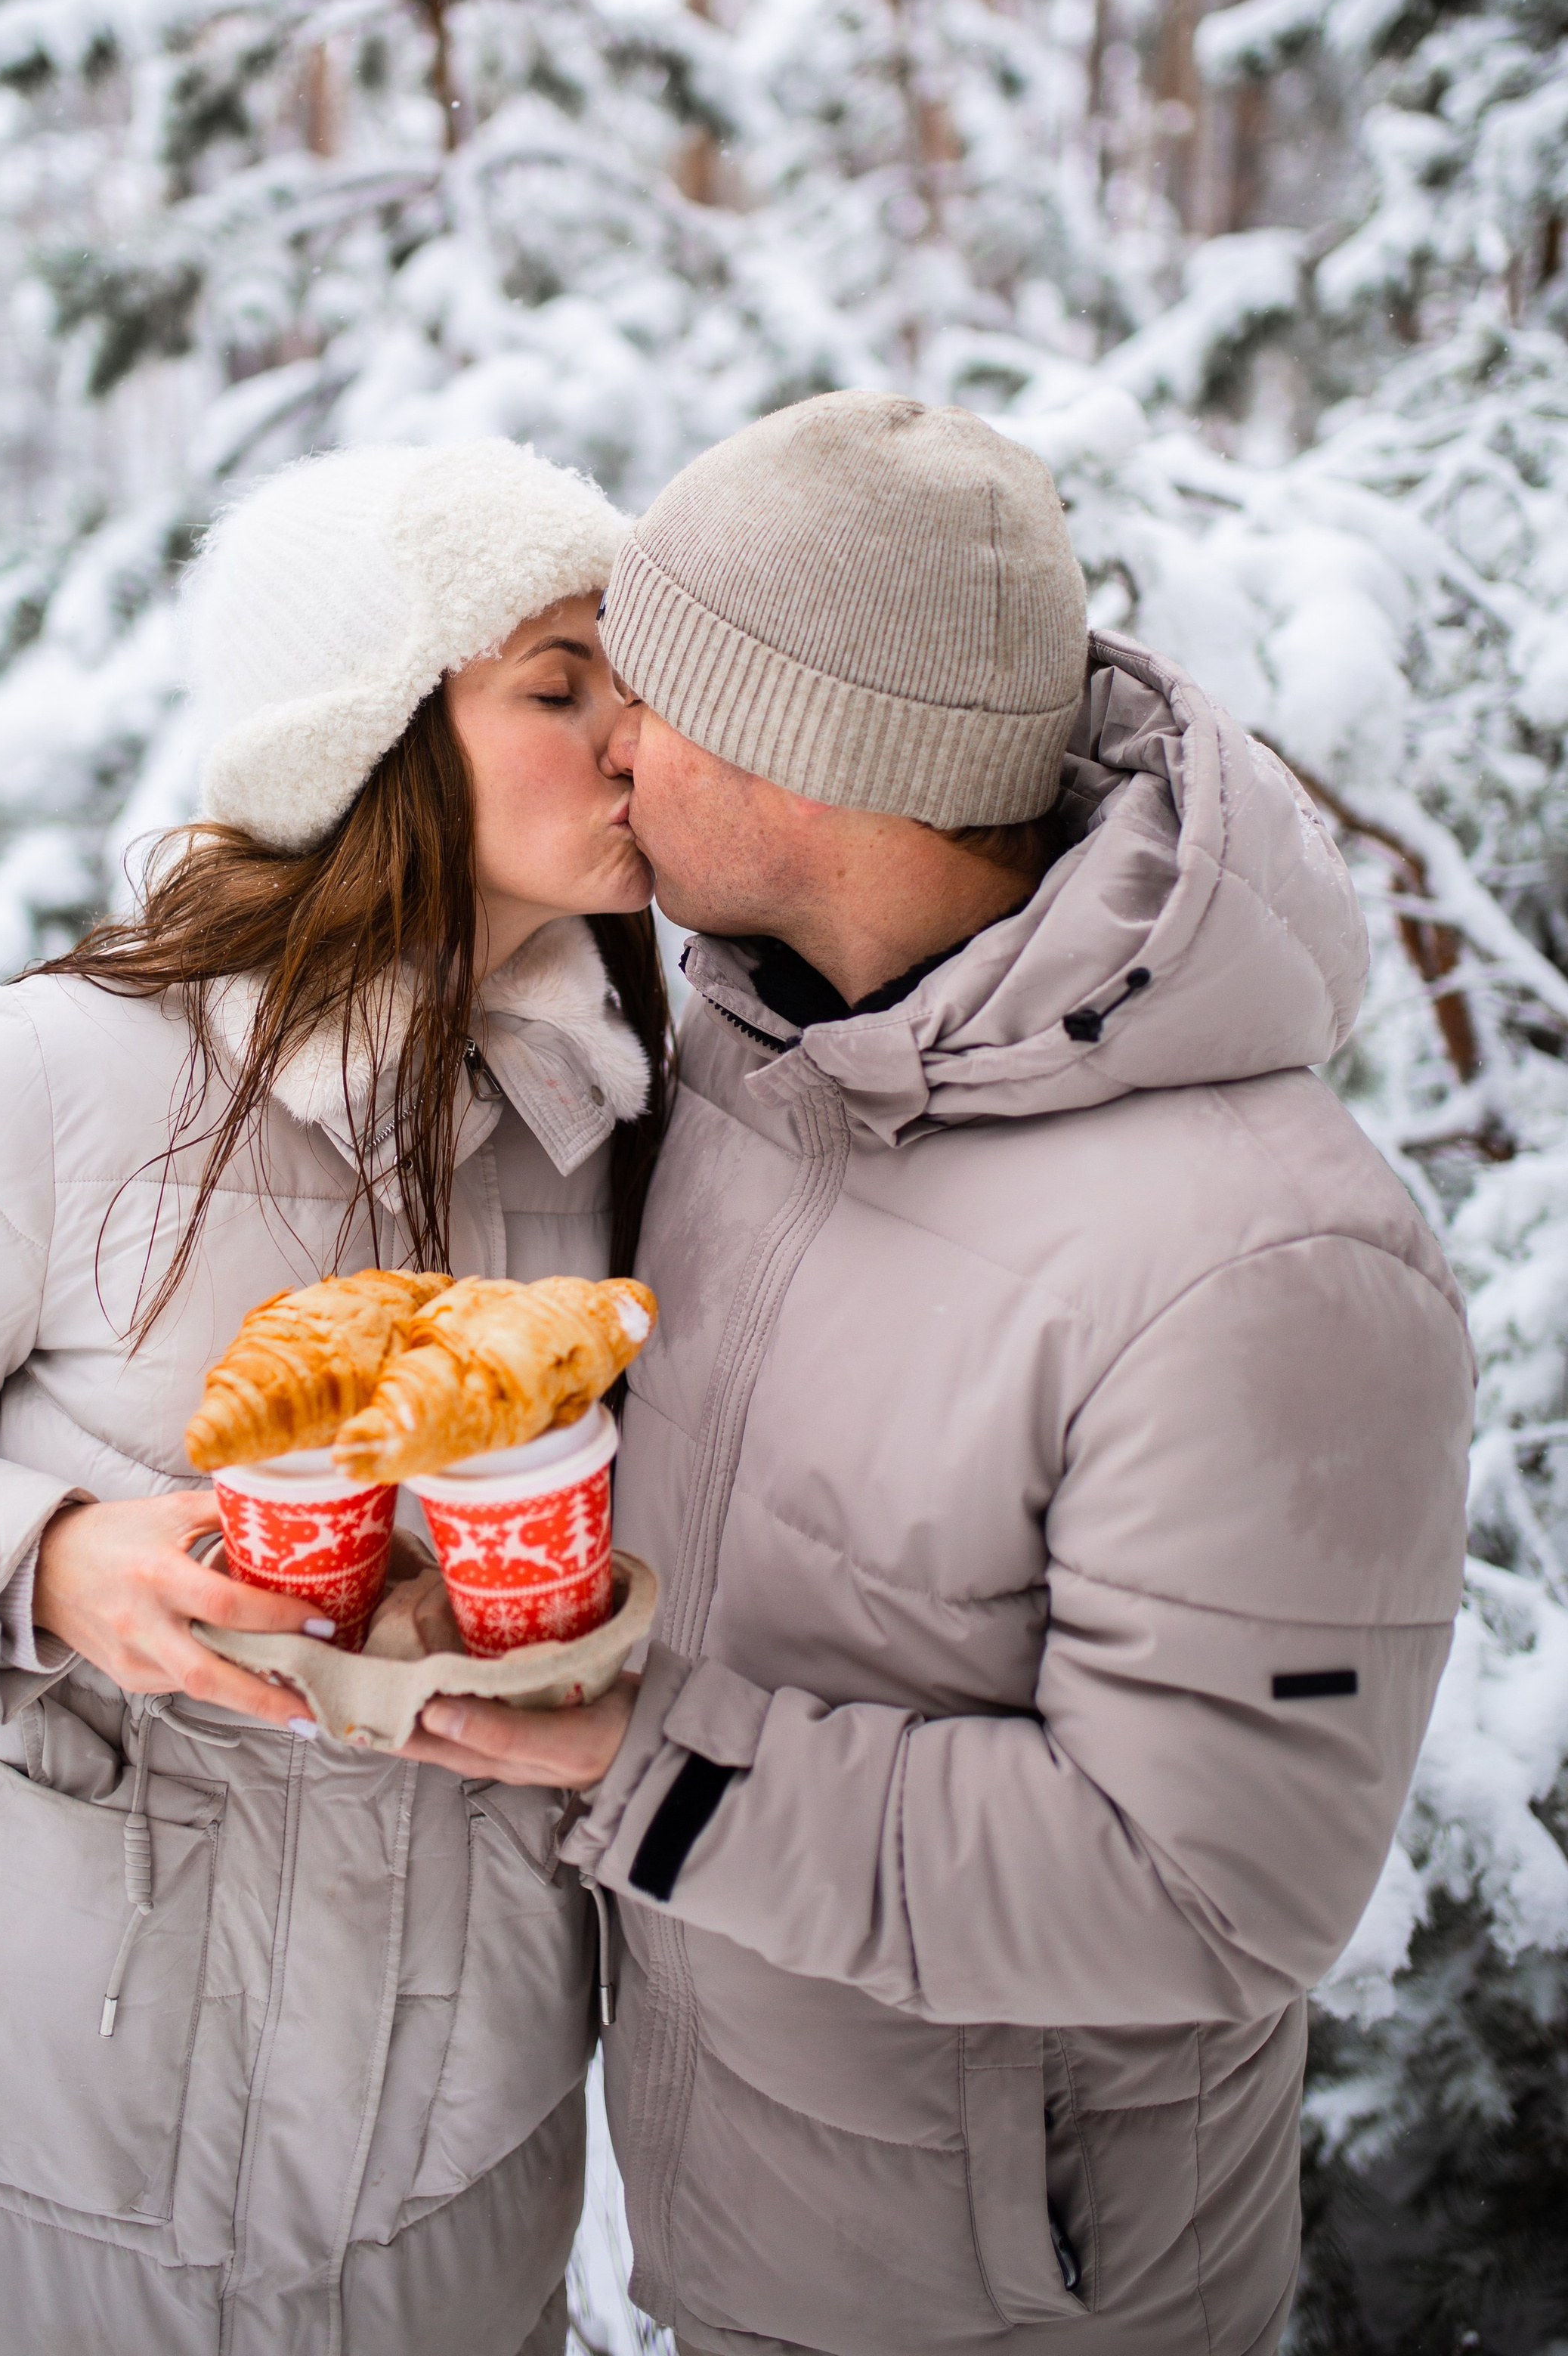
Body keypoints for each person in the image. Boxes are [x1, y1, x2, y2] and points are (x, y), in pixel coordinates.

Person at [397, 393, 1476, 2356]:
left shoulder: (1267, 1265)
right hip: (746, 2221)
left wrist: (656, 1761)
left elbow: (1207, 1897)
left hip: (1018, 2309)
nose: (611, 745)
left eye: (659, 697)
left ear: (817, 761)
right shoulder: (766, 1051)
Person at [0, 438, 673, 2356]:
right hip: (25, 2198)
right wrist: (43, 1560)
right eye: (557, 682)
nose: (630, 736)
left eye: (633, 678)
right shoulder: (65, 1081)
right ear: (366, 735)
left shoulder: (606, 1128)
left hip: (445, 2222)